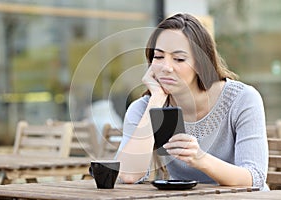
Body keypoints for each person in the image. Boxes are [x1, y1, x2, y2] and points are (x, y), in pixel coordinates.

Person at [115, 13, 269, 191]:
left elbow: (255, 177)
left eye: (179, 59)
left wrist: (200, 159)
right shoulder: (144, 107)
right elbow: (127, 175)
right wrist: (156, 100)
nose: (166, 67)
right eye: (158, 57)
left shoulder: (242, 100)